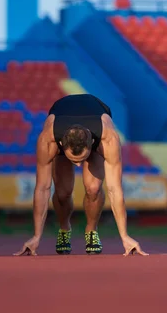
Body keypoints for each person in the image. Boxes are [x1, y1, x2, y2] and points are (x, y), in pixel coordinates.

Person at [14, 93, 148, 257]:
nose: (77, 165)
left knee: (93, 188)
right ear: (61, 145)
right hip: (61, 115)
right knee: (62, 192)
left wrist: (124, 236)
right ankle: (64, 228)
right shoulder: (48, 139)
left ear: (92, 144)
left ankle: (91, 230)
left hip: (95, 115)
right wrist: (36, 236)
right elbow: (42, 188)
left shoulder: (108, 138)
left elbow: (115, 189)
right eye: (73, 159)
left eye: (82, 159)